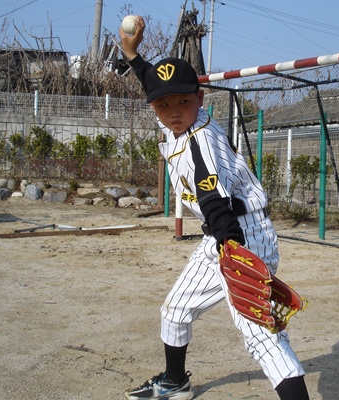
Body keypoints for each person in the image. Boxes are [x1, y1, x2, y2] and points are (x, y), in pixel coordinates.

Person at [119, 16, 310, 400]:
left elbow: (213, 200)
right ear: (154, 107)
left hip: (241, 236)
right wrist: (132, 55)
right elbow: (157, 85)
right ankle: (176, 383)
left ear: (200, 99)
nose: (174, 111)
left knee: (261, 336)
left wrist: (233, 250)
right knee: (174, 311)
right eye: (163, 104)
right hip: (219, 237)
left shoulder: (199, 142)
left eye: (183, 102)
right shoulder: (178, 122)